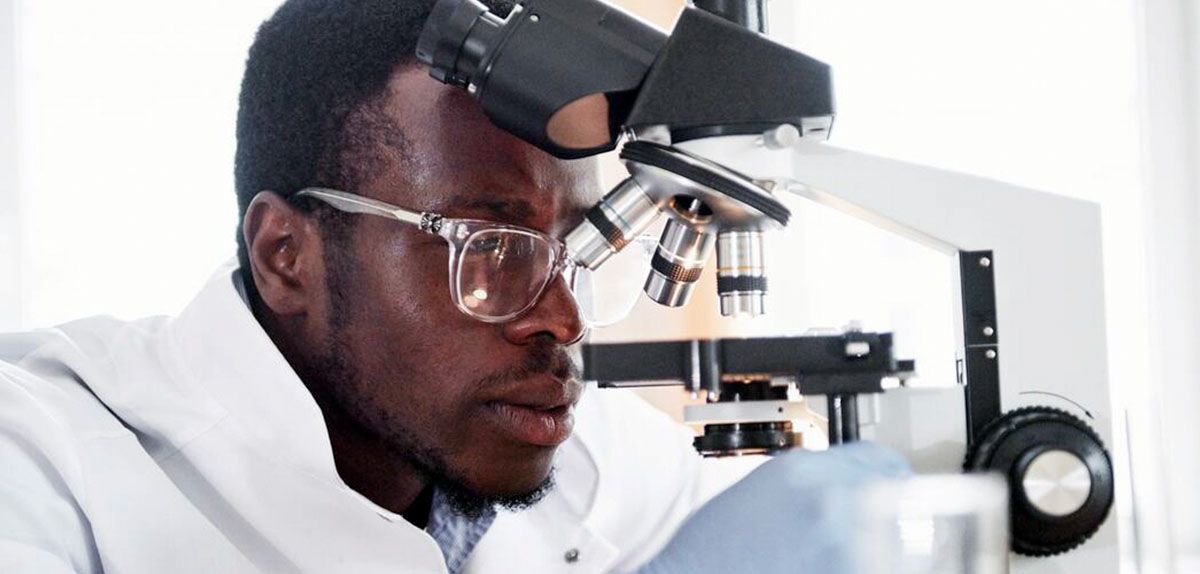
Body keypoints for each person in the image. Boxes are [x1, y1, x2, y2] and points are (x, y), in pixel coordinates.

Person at [0, 1, 908, 572]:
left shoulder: (601, 460)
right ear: (286, 255)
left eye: (577, 246)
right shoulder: (41, 458)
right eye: (491, 247)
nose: (563, 318)